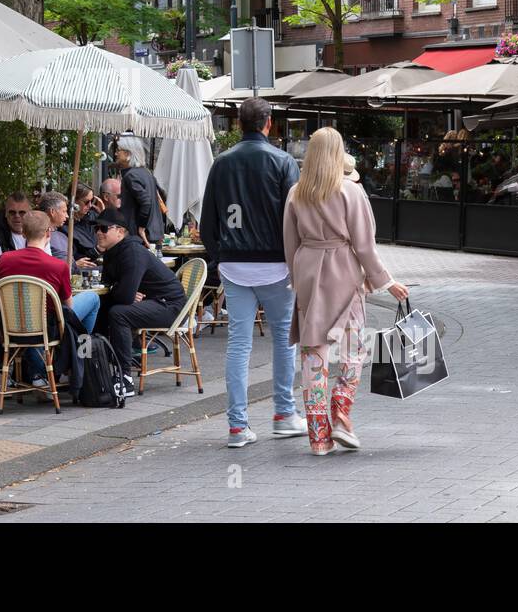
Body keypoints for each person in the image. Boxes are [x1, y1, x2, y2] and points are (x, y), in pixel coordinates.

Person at [284, 126, 409, 456]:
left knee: (314, 353)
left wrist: (297, 278)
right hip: (345, 271)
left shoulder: (297, 193)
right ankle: (341, 411)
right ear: (339, 154)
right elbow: (365, 246)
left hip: (309, 270)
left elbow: (289, 244)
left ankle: (319, 438)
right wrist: (386, 281)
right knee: (354, 349)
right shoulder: (351, 192)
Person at [201, 96, 306, 448]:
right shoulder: (283, 161)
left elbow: (207, 223)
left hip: (234, 263)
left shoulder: (221, 163)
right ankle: (284, 414)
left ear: (237, 124)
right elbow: (296, 218)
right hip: (276, 264)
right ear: (269, 123)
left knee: (238, 346)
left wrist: (221, 257)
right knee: (283, 341)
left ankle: (237, 426)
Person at [0, 211, 101, 386]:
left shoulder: (4, 260)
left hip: (10, 326)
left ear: (23, 233)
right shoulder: (58, 266)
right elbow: (69, 307)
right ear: (49, 232)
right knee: (93, 299)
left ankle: (39, 374)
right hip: (48, 328)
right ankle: (78, 360)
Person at [93, 208, 186, 397]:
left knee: (119, 314)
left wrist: (121, 290)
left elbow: (124, 296)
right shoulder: (112, 252)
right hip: (154, 301)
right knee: (100, 307)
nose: (98, 233)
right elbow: (112, 288)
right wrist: (121, 290)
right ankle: (95, 367)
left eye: (103, 228)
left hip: (170, 306)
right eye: (96, 228)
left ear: (120, 231)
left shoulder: (132, 252)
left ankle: (125, 378)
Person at [114, 136, 163, 245]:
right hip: (152, 233)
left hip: (140, 236)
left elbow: (146, 202)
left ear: (128, 154)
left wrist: (141, 227)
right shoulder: (146, 173)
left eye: (118, 150)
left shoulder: (131, 176)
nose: (116, 154)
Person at [0, 192, 30, 275]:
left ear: (29, 214)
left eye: (22, 212)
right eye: (12, 212)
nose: (17, 216)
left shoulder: (38, 232)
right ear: (6, 213)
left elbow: (46, 267)